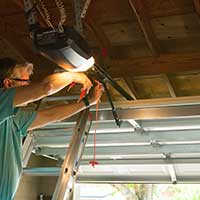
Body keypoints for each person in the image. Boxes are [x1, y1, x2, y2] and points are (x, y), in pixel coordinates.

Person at [0, 57, 103, 200]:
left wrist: (88, 102)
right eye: (26, 82)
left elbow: (51, 115)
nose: (30, 85)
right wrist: (75, 75)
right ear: (8, 83)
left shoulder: (14, 117)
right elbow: (46, 87)